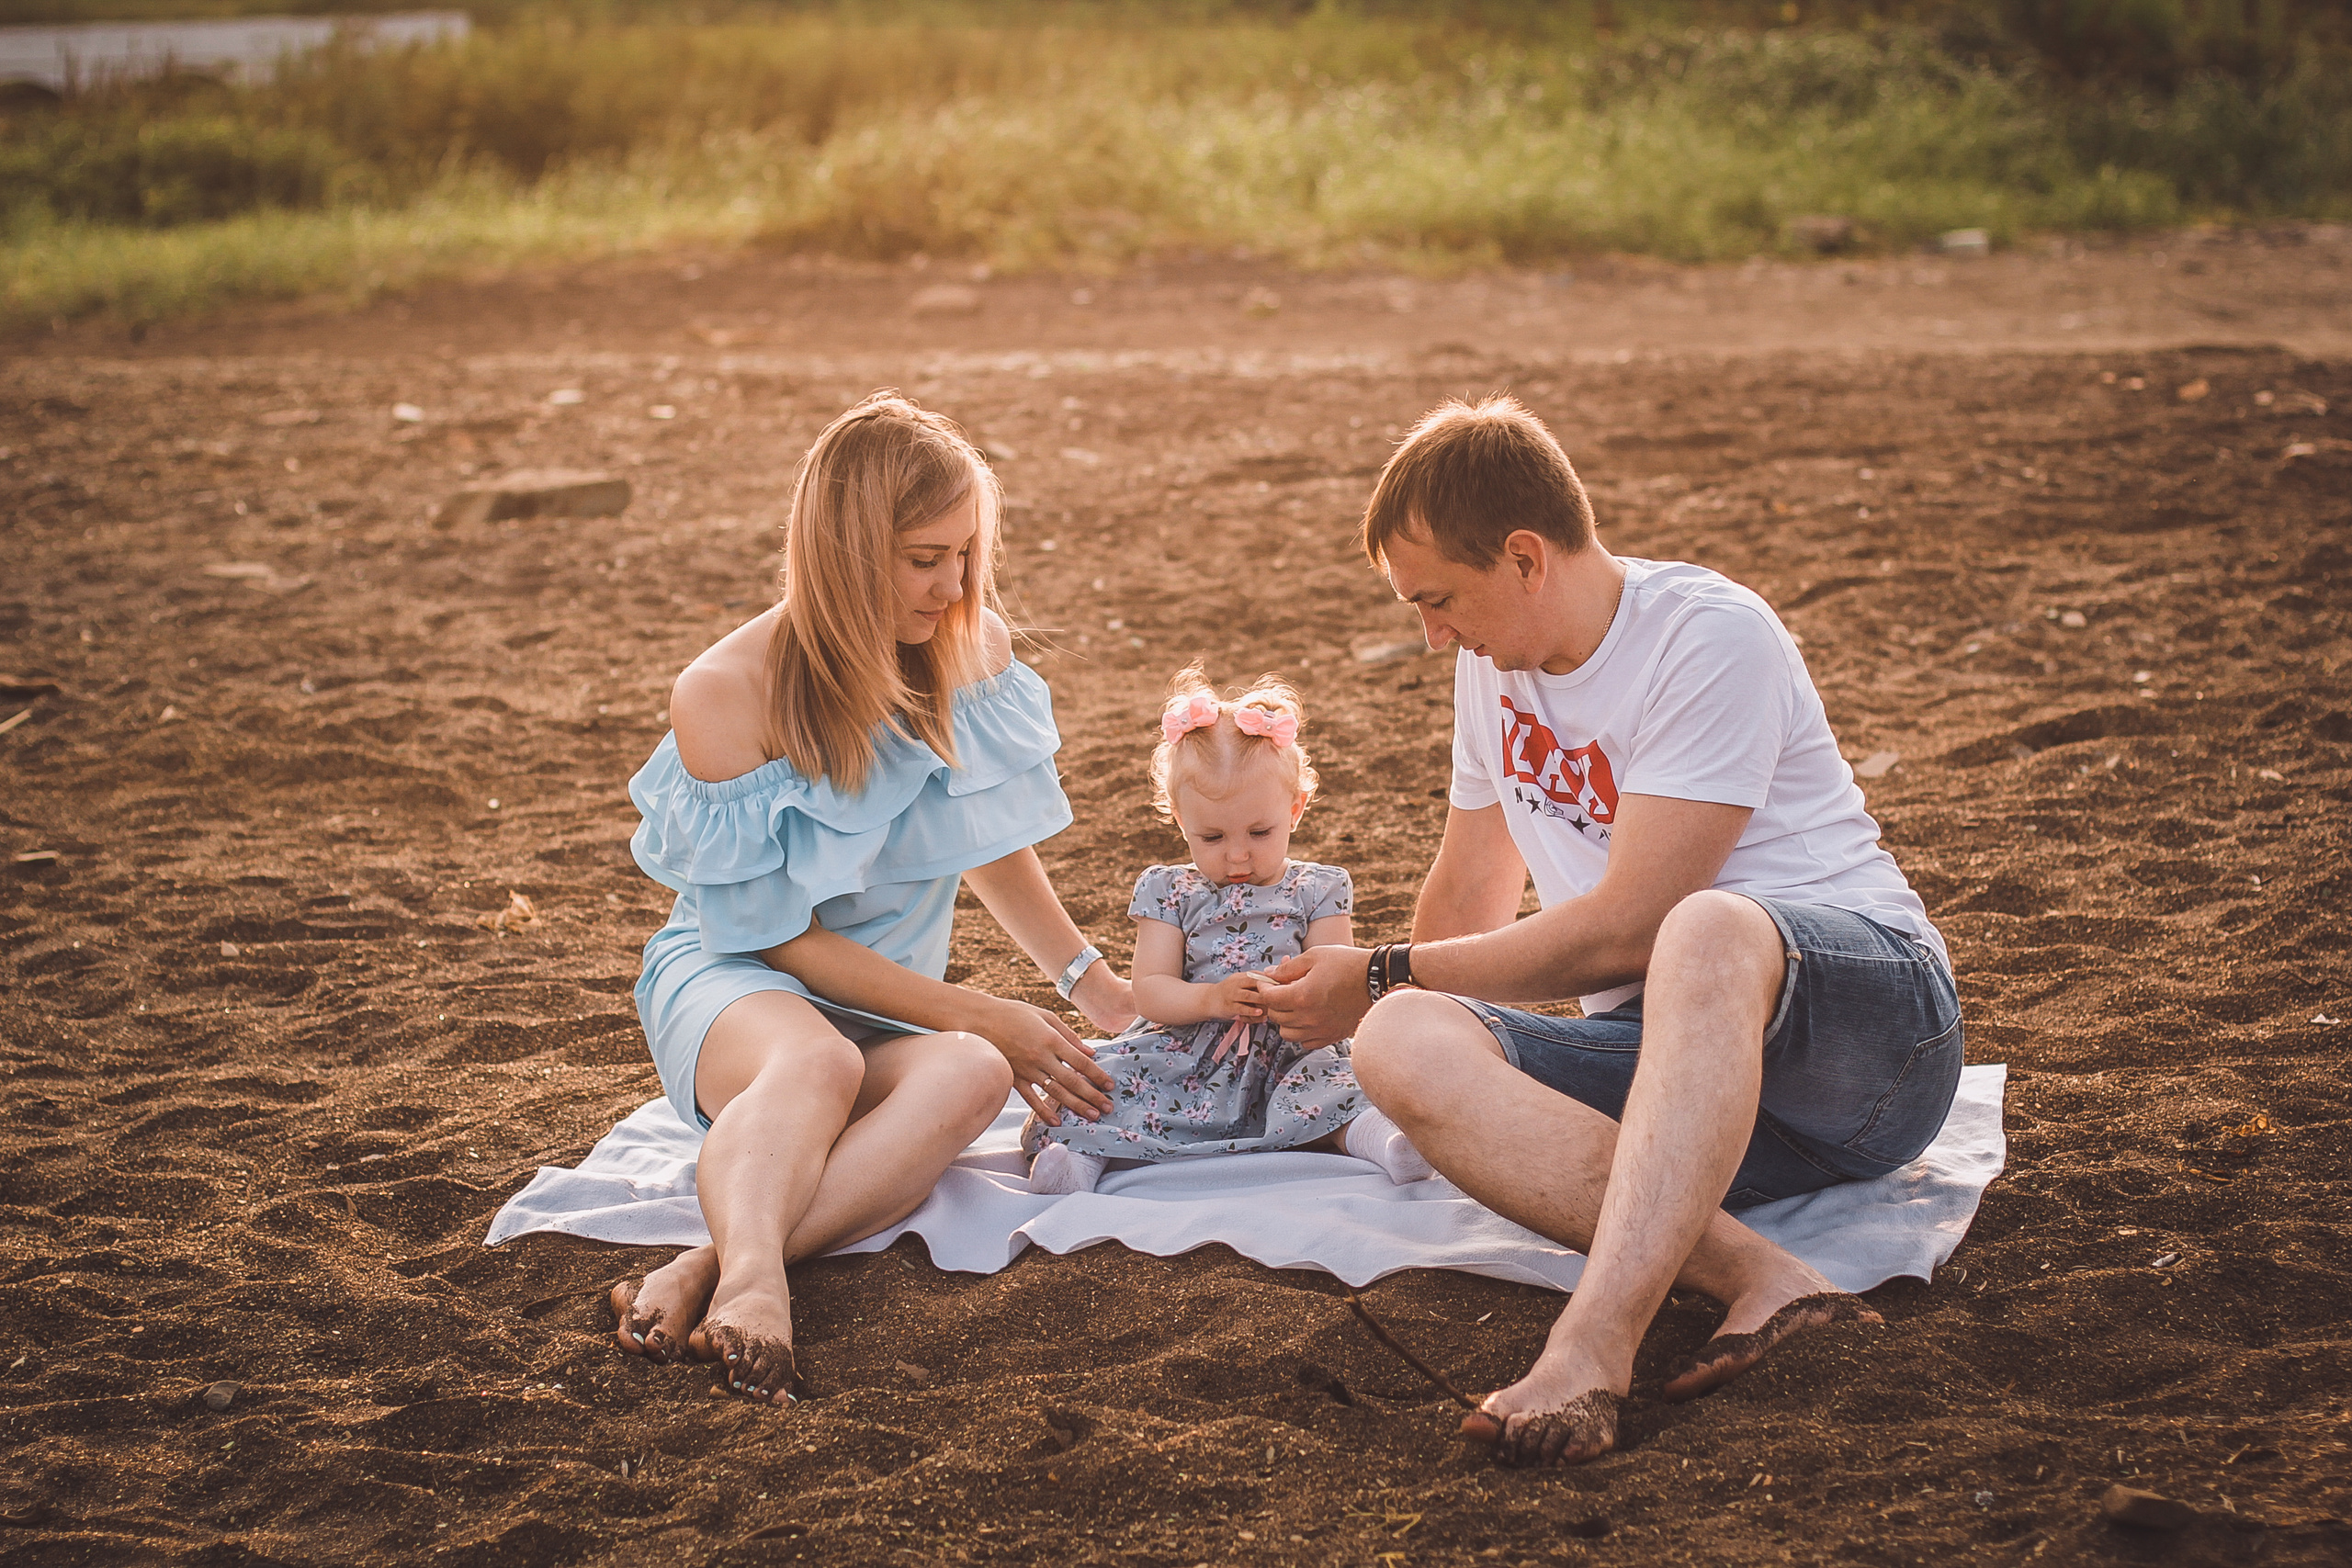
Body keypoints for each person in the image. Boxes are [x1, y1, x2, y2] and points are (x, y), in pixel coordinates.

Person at [1259, 395, 1962, 1466]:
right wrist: (1384, 1035)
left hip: (1867, 1042)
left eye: (1439, 599)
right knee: (1401, 1035)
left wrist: (1380, 970)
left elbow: (1630, 929)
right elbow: (1467, 896)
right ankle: (1763, 1279)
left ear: (1527, 557)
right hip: (1687, 1087)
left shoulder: (1707, 633)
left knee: (1702, 928)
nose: (1431, 632)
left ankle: (1594, 1341)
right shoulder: (1488, 669)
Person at [609, 392, 1136, 1403]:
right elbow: (780, 939)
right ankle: (758, 1281)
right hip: (741, 977)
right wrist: (981, 1007)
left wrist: (1092, 986)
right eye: (923, 557)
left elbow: (985, 843)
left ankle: (703, 1265)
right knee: (816, 1058)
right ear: (846, 550)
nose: (955, 585)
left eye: (967, 553)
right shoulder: (724, 691)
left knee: (974, 1073)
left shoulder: (963, 645)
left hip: (885, 1000)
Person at [1023, 665, 1431, 1195]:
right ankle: (1077, 1164)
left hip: (1292, 1050)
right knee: (1098, 1088)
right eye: (1211, 836)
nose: (1238, 855)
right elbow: (1151, 988)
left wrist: (1288, 994)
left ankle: (1380, 1141)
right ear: (1177, 817)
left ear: (1295, 809)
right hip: (1189, 1051)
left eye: (1260, 832)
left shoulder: (1319, 887)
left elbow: (1334, 977)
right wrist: (1212, 1000)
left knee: (1344, 1087)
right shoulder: (1169, 890)